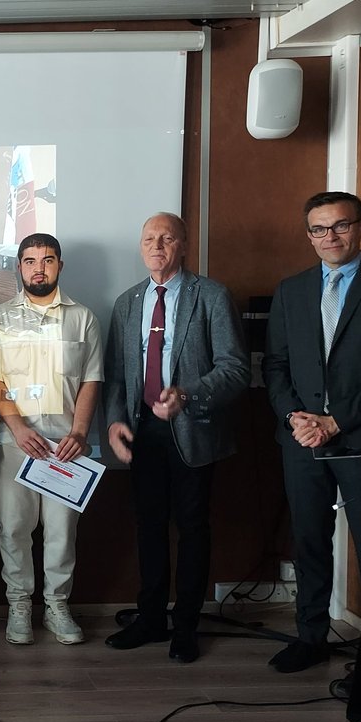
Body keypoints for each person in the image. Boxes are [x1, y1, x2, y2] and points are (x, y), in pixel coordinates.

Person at [263, 191, 361, 673]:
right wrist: (295, 417)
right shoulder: (292, 289)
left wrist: (336, 421)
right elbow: (275, 364)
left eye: (340, 226)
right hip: (302, 439)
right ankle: (310, 637)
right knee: (309, 542)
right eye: (319, 229)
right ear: (308, 234)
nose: (330, 237)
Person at [103, 214, 249, 663]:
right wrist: (112, 422)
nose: (157, 245)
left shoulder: (211, 295)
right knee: (148, 528)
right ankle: (150, 619)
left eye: (167, 238)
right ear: (141, 246)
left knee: (192, 529)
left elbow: (235, 368)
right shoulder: (128, 303)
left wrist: (187, 394)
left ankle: (185, 626)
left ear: (184, 245)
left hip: (193, 430)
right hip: (142, 431)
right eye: (149, 238)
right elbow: (115, 376)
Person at [0, 232, 102, 646]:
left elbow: (91, 381)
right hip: (13, 440)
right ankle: (19, 606)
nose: (39, 267)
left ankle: (57, 605)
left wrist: (80, 432)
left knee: (60, 531)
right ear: (19, 267)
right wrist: (17, 427)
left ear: (59, 266)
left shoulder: (83, 318)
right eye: (30, 260)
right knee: (14, 527)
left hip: (65, 446)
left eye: (48, 259)